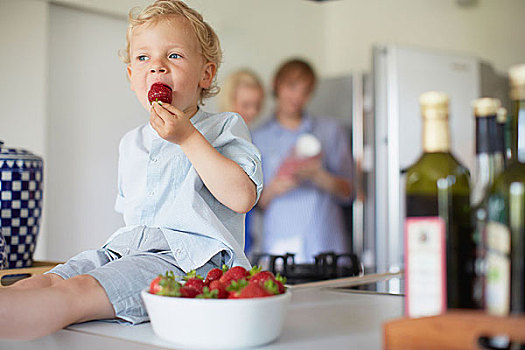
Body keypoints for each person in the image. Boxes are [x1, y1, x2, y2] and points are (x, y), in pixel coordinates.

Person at [0, 0, 262, 340]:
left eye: (174, 56)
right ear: (131, 77)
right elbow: (135, 221)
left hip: (187, 262)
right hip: (124, 249)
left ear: (206, 74)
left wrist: (187, 138)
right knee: (51, 278)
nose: (156, 67)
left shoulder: (225, 126)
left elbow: (242, 198)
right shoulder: (131, 143)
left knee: (80, 290)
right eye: (143, 58)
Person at [251, 58, 353, 263]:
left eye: (305, 91)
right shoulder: (256, 137)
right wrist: (274, 188)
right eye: (292, 87)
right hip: (279, 249)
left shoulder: (331, 131)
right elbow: (251, 203)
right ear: (276, 85)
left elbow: (350, 194)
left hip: (326, 246)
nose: (297, 96)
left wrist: (319, 176)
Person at [219, 69, 265, 256]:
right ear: (230, 101)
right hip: (221, 237)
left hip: (247, 238)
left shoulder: (253, 140)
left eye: (257, 105)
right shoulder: (214, 141)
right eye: (246, 105)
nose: (252, 112)